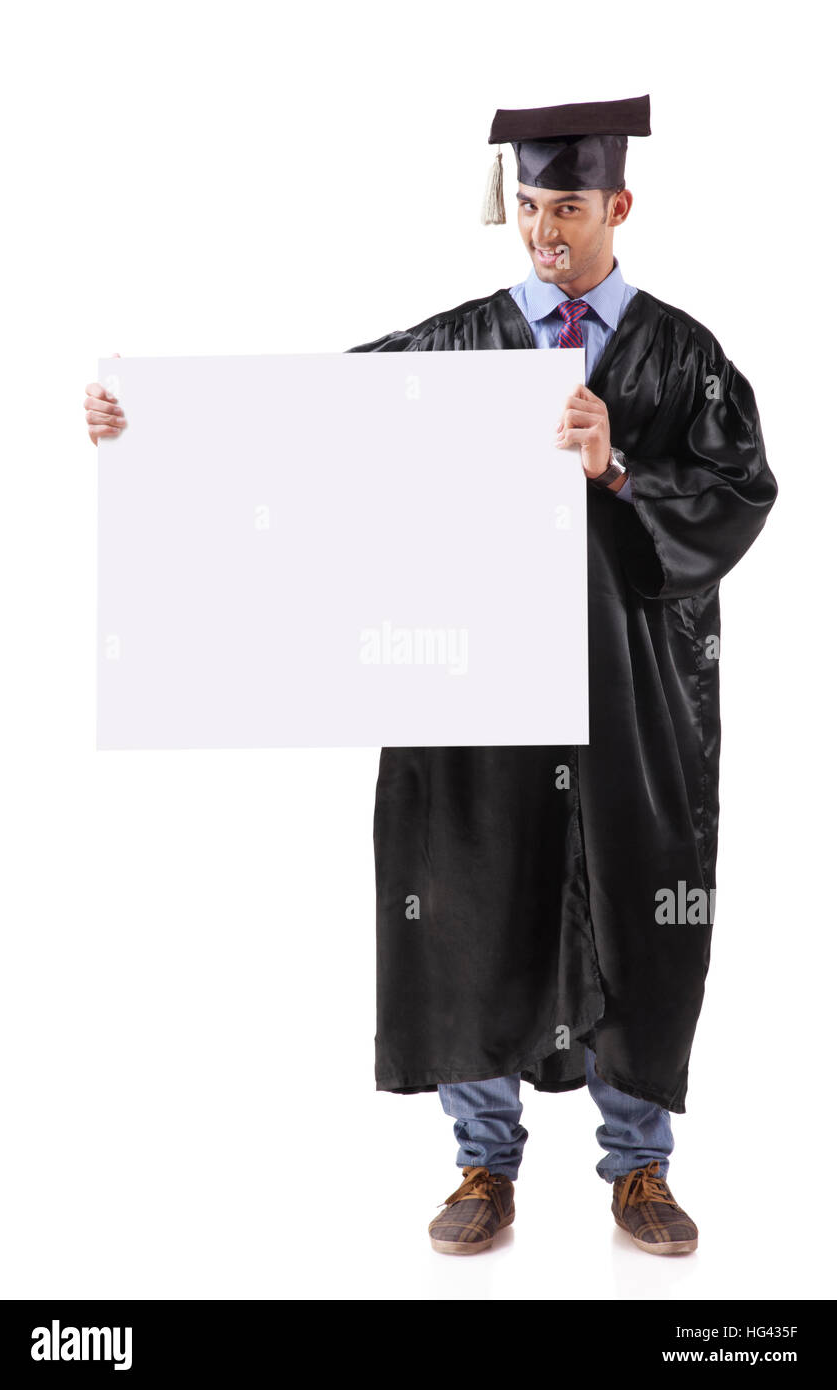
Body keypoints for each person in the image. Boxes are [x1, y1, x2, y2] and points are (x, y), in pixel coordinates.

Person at [83, 94, 778, 1259]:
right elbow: (309, 424)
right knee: (466, 891)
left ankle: (639, 1166)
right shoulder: (459, 343)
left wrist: (616, 471)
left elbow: (739, 500)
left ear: (617, 203)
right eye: (526, 205)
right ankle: (480, 1163)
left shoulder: (683, 355)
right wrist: (148, 423)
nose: (543, 231)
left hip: (633, 697)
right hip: (474, 686)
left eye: (565, 205)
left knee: (637, 901)